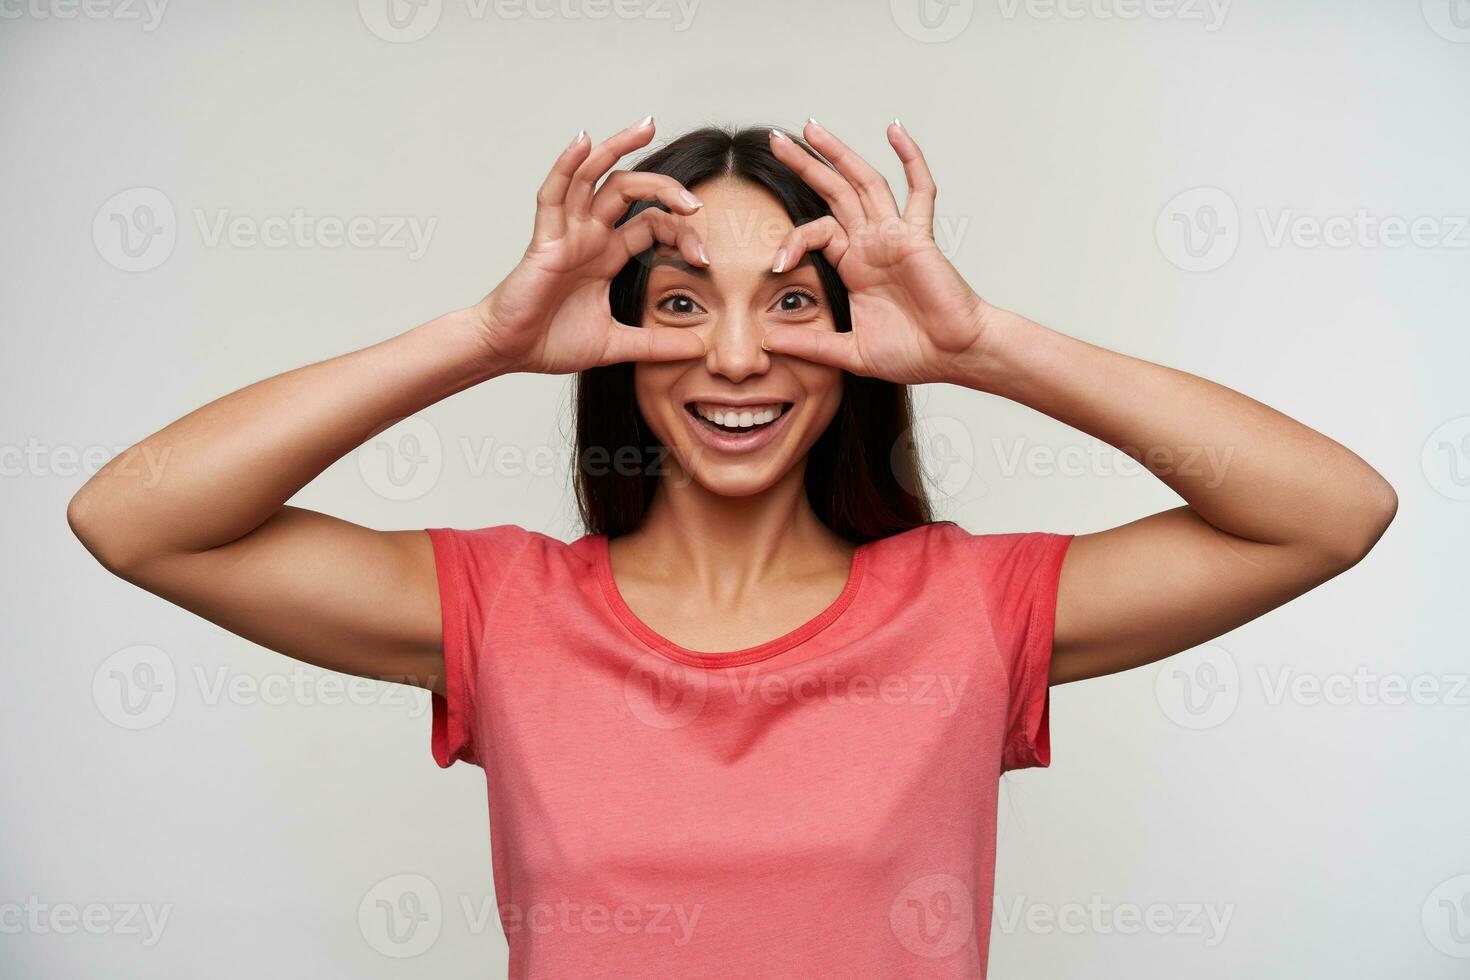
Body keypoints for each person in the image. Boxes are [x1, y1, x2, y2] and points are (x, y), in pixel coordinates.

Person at [67, 117, 1397, 978]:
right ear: (614, 339)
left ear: (854, 342)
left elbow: (1328, 511)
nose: (739, 354)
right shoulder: (500, 609)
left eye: (793, 304)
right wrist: (484, 337)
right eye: (682, 301)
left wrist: (982, 343)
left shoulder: (968, 610)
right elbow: (133, 518)